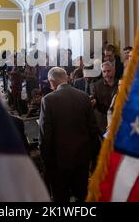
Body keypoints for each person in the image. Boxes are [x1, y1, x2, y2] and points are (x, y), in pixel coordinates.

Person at [39, 68, 100, 202]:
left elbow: (45, 135)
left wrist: (45, 160)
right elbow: (93, 128)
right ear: (66, 78)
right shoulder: (83, 96)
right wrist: (94, 156)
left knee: (61, 197)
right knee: (82, 195)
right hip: (82, 159)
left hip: (58, 161)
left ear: (51, 82)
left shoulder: (48, 100)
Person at [91, 62, 118, 135]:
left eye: (108, 71)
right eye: (104, 72)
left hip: (118, 120)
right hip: (102, 122)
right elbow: (94, 98)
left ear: (114, 71)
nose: (106, 74)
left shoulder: (120, 83)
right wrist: (93, 102)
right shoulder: (96, 85)